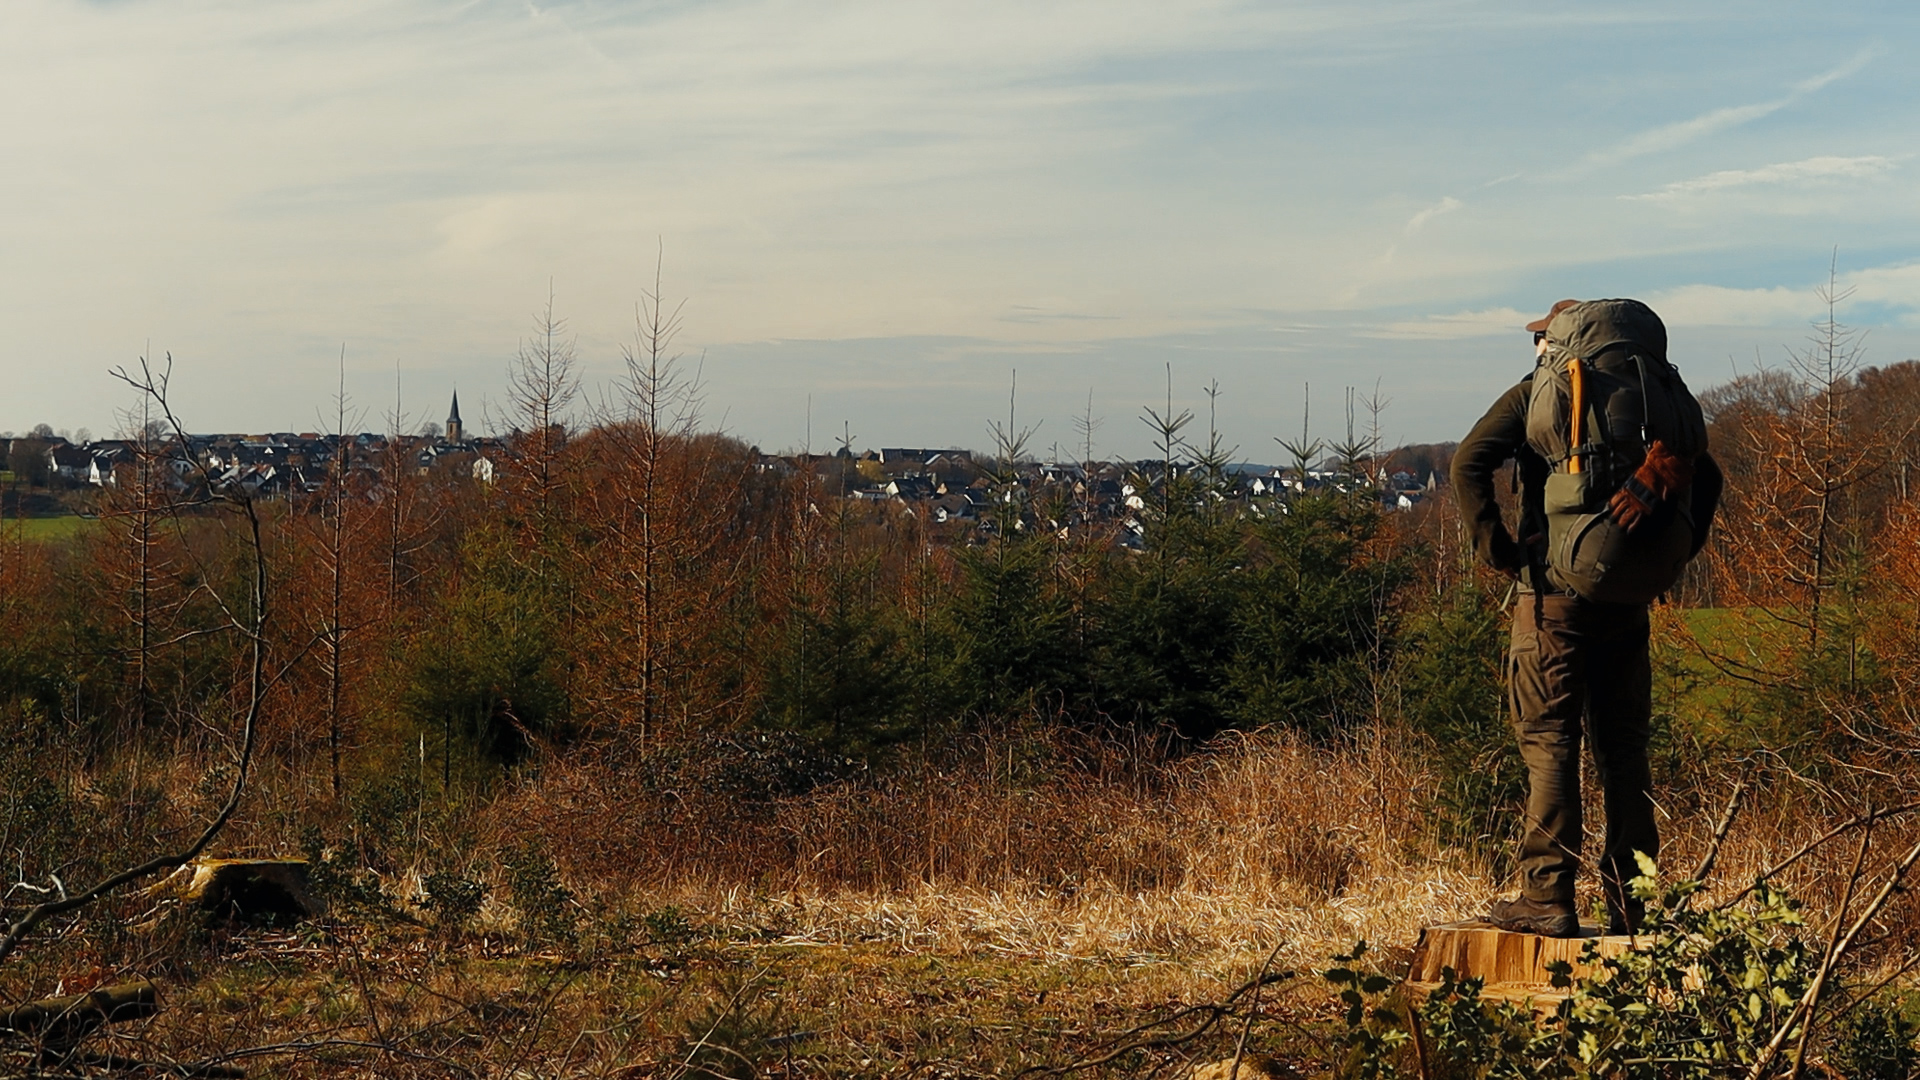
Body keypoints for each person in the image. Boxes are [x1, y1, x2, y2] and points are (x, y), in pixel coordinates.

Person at [1450, 299, 1722, 937]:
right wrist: (1678, 548)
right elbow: (1706, 478)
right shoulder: (1646, 399)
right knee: (1624, 750)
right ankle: (1632, 903)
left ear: (1552, 341)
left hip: (1552, 599)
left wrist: (1500, 552)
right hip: (1626, 598)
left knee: (1550, 742)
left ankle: (1546, 896)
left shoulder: (1538, 394)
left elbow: (1468, 463)